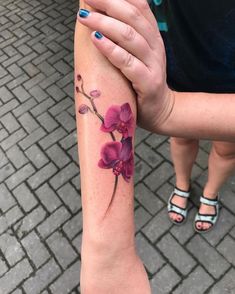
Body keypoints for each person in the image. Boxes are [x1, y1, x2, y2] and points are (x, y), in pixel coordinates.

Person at [75, 0, 235, 293]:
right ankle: (183, 185)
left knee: (226, 150)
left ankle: (209, 193)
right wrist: (108, 251)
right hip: (179, 66)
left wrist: (171, 111)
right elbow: (104, 12)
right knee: (182, 138)